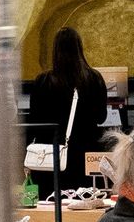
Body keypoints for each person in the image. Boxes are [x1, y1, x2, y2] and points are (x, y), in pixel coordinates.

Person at [27, 27, 109, 191]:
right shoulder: (94, 79)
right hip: (85, 154)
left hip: (51, 156)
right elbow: (101, 117)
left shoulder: (43, 81)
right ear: (80, 48)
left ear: (55, 51)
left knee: (52, 203)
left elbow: (35, 121)